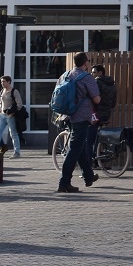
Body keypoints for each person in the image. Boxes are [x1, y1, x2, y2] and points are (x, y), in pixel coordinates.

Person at [56, 52, 101, 194]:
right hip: (81, 118)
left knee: (79, 146)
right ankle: (64, 183)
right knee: (74, 149)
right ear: (85, 63)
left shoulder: (65, 75)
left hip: (67, 116)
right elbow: (97, 99)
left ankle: (88, 176)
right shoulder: (87, 78)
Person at [89, 64, 117, 160]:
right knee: (98, 135)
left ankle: (91, 158)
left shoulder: (97, 82)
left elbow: (94, 99)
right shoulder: (112, 84)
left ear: (100, 73)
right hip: (106, 114)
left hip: (96, 114)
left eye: (93, 72)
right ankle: (97, 155)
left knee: (89, 138)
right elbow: (113, 103)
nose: (91, 74)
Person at [0, 76, 24, 158]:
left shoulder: (14, 91)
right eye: (1, 82)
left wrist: (13, 113)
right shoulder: (2, 91)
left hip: (10, 116)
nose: (2, 83)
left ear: (9, 82)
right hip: (1, 115)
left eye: (4, 81)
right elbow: (1, 103)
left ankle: (17, 152)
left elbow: (19, 104)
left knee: (13, 133)